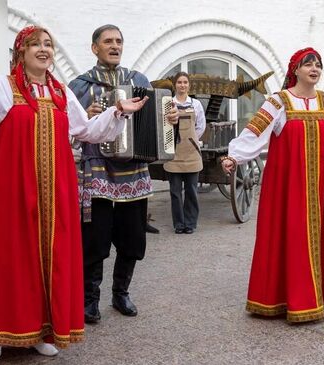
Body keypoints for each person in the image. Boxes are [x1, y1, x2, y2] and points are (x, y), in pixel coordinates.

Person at [0, 23, 148, 365]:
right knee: (8, 258)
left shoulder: (60, 93)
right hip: (13, 189)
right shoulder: (3, 86)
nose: (44, 49)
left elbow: (85, 131)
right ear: (21, 52)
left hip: (55, 191)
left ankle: (42, 330)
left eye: (48, 45)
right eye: (35, 45)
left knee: (49, 258)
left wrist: (118, 112)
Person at [222, 47, 324, 323]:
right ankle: (284, 300)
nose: (314, 69)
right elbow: (254, 134)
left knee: (319, 238)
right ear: (295, 70)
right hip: (287, 190)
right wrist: (234, 156)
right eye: (308, 65)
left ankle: (320, 300)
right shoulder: (278, 102)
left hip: (319, 190)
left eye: (318, 64)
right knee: (287, 238)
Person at [68, 24, 178, 323]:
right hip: (97, 172)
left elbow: (159, 119)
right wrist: (86, 118)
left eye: (118, 41)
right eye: (107, 41)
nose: (114, 46)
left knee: (132, 237)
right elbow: (66, 131)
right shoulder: (78, 86)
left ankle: (121, 294)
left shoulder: (139, 80)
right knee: (94, 238)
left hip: (134, 171)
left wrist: (169, 119)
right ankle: (90, 299)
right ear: (95, 48)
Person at [164, 72, 206, 234]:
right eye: (179, 82)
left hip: (191, 152)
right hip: (173, 152)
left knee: (191, 191)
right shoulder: (168, 104)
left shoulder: (196, 104)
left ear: (189, 85)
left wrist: (191, 140)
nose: (182, 85)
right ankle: (179, 224)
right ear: (175, 85)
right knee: (175, 192)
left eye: (185, 82)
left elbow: (200, 126)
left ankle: (190, 223)